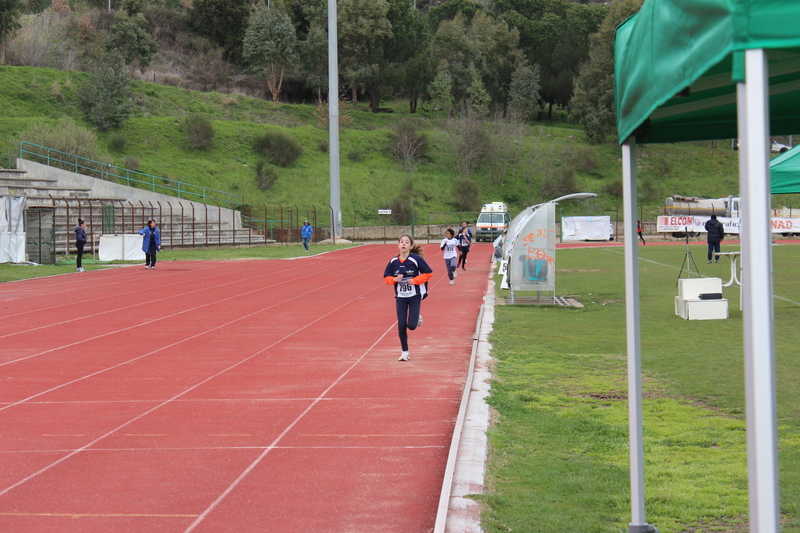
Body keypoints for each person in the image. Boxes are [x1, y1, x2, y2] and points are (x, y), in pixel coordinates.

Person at [383, 234, 433, 362]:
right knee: (401, 323)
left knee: (411, 325)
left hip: (414, 296)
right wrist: (394, 279)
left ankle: (416, 317)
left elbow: (429, 273)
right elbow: (387, 277)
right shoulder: (393, 261)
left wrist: (415, 280)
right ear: (398, 245)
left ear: (410, 246)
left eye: (406, 242)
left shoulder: (416, 260)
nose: (404, 244)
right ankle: (404, 352)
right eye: (401, 242)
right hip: (401, 297)